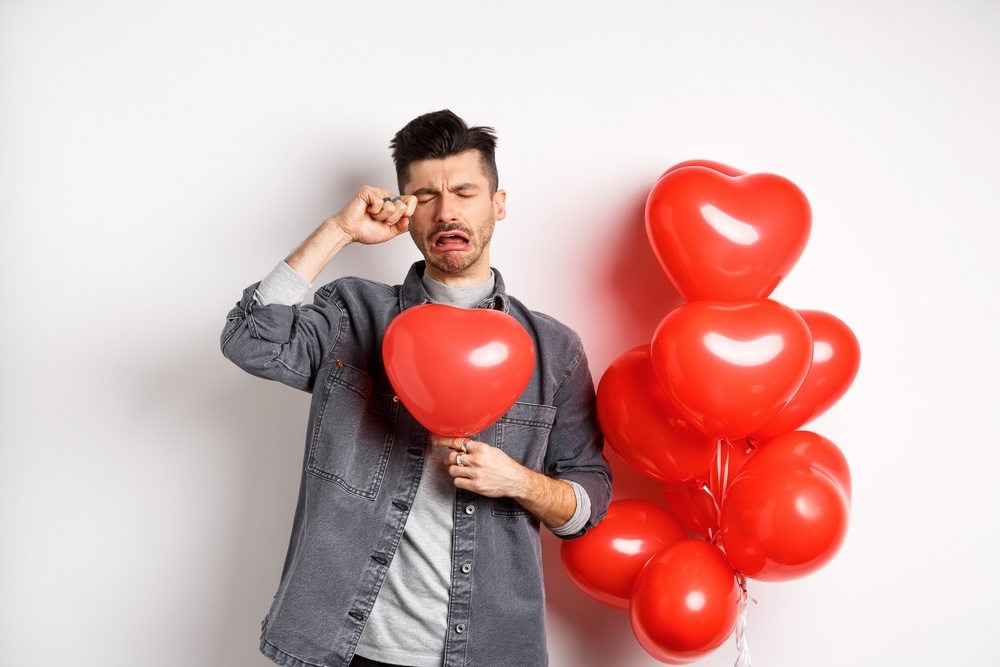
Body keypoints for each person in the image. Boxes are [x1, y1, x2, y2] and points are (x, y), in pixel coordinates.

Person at [220, 109, 612, 667]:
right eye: (425, 195)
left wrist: (519, 481)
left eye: (465, 192)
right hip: (347, 647)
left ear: (498, 204)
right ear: (406, 210)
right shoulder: (354, 315)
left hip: (487, 652)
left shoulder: (554, 350)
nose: (447, 211)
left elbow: (588, 501)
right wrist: (339, 231)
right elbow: (247, 340)